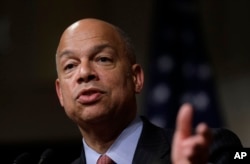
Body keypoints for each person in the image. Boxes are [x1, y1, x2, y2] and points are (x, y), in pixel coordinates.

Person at [55, 18, 242, 164]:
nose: (84, 73)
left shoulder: (213, 149)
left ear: (136, 78)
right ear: (60, 93)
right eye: (70, 65)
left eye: (103, 59)